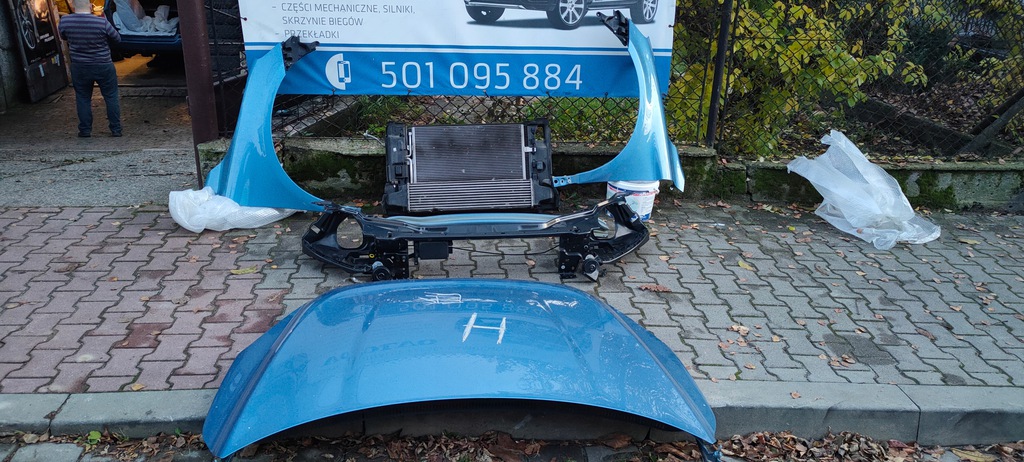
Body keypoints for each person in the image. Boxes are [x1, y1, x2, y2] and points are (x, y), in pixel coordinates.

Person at [58, 0, 122, 137]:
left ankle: (85, 130)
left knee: (83, 98)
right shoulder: (101, 22)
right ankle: (116, 129)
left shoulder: (65, 21)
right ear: (90, 6)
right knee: (111, 97)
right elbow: (117, 38)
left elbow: (63, 36)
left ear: (73, 6)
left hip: (79, 66)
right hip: (103, 65)